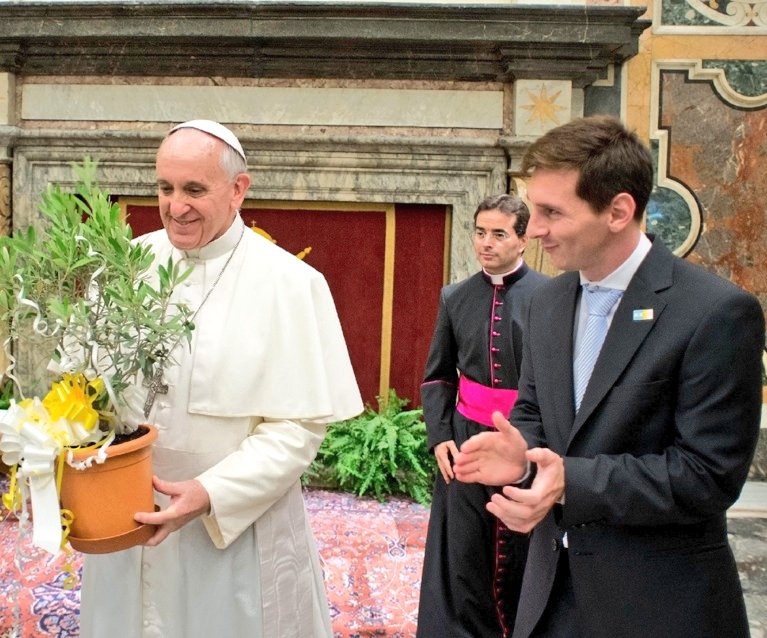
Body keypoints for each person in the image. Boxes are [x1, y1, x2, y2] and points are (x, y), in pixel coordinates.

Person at [453, 115, 765, 638]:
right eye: (534, 211)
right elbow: (535, 412)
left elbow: (707, 476)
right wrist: (520, 454)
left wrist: (569, 480)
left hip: (658, 605)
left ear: (619, 211)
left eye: (553, 212)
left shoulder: (715, 312)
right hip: (550, 595)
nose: (534, 231)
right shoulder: (549, 301)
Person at [78, 120, 363, 637]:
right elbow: (84, 394)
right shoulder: (125, 267)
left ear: (238, 189)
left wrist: (209, 492)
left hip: (230, 531)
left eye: (193, 189)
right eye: (165, 188)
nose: (175, 206)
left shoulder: (290, 285)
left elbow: (295, 429)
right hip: (127, 518)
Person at [417, 194, 548, 637]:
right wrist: (440, 436)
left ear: (524, 239)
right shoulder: (455, 297)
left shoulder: (550, 298)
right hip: (467, 440)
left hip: (529, 439)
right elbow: (437, 377)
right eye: (479, 232)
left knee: (523, 548)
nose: (485, 243)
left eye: (498, 234)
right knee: (464, 552)